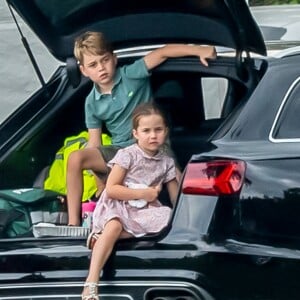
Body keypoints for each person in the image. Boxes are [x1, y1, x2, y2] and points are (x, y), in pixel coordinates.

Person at [67, 31, 216, 226]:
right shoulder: (91, 102)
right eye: (93, 65)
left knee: (172, 172)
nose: (101, 68)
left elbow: (163, 52)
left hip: (151, 143)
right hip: (120, 153)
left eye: (105, 60)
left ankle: (188, 223)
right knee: (76, 157)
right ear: (84, 70)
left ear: (114, 58)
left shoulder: (132, 74)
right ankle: (73, 223)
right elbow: (95, 144)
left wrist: (199, 50)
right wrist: (101, 182)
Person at [81, 103, 179, 300]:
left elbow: (176, 196)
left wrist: (182, 212)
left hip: (145, 209)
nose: (153, 136)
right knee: (115, 225)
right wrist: (144, 194)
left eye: (158, 130)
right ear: (135, 133)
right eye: (146, 131)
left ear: (166, 132)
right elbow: (112, 188)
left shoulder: (166, 161)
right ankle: (91, 283)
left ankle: (100, 239)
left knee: (168, 217)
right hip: (119, 202)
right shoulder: (128, 154)